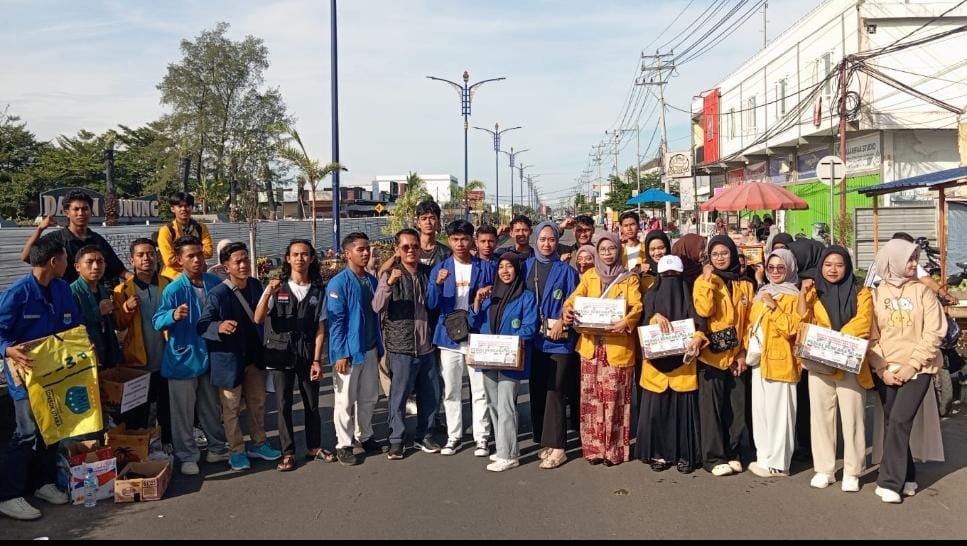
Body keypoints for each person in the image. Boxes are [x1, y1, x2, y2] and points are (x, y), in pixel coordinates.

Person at [0, 238, 79, 520]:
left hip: (55, 371)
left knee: (53, 427)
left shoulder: (62, 289)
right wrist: (7, 349)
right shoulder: (17, 293)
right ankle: (8, 495)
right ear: (53, 262)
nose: (67, 263)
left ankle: (43, 483)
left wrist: (84, 344)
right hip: (24, 374)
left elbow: (74, 323)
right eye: (65, 259)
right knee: (27, 433)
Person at [866, 239, 947, 504]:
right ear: (893, 261)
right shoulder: (875, 294)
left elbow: (934, 331)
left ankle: (889, 482)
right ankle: (908, 475)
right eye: (908, 259)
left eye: (915, 258)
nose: (913, 264)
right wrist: (881, 369)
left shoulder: (923, 292)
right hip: (886, 368)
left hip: (919, 368)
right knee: (893, 422)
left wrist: (913, 364)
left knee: (900, 420)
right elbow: (870, 336)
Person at [198, 242, 281, 472]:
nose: (244, 265)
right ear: (226, 267)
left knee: (257, 404)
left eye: (246, 259)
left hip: (253, 357)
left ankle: (259, 443)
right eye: (238, 261)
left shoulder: (255, 285)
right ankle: (236, 451)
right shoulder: (218, 294)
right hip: (228, 360)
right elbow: (202, 325)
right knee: (231, 409)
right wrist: (218, 327)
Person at [562, 233, 643, 466]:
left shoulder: (629, 279)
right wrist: (567, 310)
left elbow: (637, 306)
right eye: (603, 249)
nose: (607, 253)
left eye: (612, 249)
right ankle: (594, 449)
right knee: (591, 398)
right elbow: (573, 299)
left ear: (619, 250)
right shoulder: (590, 275)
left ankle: (614, 450)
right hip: (591, 348)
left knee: (616, 398)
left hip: (617, 347)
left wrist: (626, 321)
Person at [798, 245, 874, 492]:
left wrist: (836, 340)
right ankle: (824, 469)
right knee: (821, 417)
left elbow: (863, 321)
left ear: (847, 266)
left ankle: (853, 471)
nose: (833, 270)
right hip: (820, 363)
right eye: (828, 264)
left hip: (850, 362)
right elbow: (803, 319)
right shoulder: (814, 290)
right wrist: (803, 295)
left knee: (853, 418)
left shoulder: (861, 291)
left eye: (839, 265)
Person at [152, 236, 230, 476]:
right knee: (183, 413)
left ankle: (217, 447)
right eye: (191, 256)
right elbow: (157, 320)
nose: (197, 260)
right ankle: (187, 455)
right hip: (183, 359)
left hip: (210, 355)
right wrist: (172, 316)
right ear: (179, 260)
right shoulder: (174, 289)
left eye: (199, 254)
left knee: (211, 407)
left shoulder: (213, 282)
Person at [254, 239, 332, 471]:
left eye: (305, 254)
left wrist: (317, 360)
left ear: (312, 258)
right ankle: (287, 452)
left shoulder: (318, 291)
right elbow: (258, 318)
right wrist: (268, 293)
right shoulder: (276, 288)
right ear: (288, 258)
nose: (300, 258)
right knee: (283, 404)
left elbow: (320, 328)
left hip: (307, 353)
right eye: (295, 254)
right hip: (280, 353)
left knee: (312, 403)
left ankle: (314, 447)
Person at [371, 229, 442, 460]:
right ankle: (396, 439)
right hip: (401, 347)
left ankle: (425, 435)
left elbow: (435, 303)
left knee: (430, 394)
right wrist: (389, 283)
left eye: (414, 246)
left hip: (427, 346)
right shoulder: (390, 274)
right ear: (397, 250)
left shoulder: (428, 273)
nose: (411, 250)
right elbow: (377, 306)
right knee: (399, 396)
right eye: (405, 247)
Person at [428, 220, 495, 457]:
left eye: (464, 239)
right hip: (448, 337)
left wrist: (481, 301)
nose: (459, 244)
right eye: (455, 239)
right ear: (448, 241)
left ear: (471, 240)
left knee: (480, 390)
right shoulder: (441, 268)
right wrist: (437, 284)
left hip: (476, 335)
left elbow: (492, 301)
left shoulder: (484, 267)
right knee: (451, 390)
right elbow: (431, 304)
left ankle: (482, 437)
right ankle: (454, 436)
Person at [469, 252, 539, 472]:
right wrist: (477, 301)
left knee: (506, 405)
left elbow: (530, 327)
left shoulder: (526, 297)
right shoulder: (490, 295)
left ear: (517, 270)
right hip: (488, 357)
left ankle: (509, 455)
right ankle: (503, 447)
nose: (505, 271)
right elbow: (473, 322)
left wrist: (508, 342)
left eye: (510, 266)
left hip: (510, 357)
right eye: (501, 267)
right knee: (493, 403)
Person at [636, 255, 706, 474]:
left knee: (681, 413)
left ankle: (685, 454)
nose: (670, 279)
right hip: (654, 368)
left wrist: (698, 337)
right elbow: (640, 323)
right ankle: (659, 454)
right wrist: (653, 318)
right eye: (665, 275)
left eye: (674, 275)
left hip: (683, 367)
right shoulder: (649, 297)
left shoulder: (691, 295)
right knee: (656, 412)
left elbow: (701, 322)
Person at [693, 235, 755, 477]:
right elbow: (704, 309)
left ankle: (733, 452)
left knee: (736, 408)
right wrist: (708, 281)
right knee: (712, 409)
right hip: (712, 355)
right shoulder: (703, 281)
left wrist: (742, 351)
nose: (720, 258)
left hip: (736, 354)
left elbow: (749, 321)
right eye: (715, 254)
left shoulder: (745, 284)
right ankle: (713, 457)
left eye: (724, 253)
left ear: (732, 254)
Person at [523, 222, 580, 470]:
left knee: (556, 391)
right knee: (538, 389)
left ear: (558, 241)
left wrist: (564, 320)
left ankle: (559, 448)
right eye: (543, 239)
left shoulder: (566, 271)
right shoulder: (526, 267)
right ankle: (545, 440)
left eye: (552, 239)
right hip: (534, 339)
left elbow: (575, 301)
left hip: (559, 340)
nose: (547, 244)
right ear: (535, 240)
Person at [326, 232, 384, 466]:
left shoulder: (371, 281)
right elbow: (335, 322)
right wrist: (340, 353)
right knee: (345, 400)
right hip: (349, 352)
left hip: (370, 348)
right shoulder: (338, 283)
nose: (366, 253)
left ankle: (365, 435)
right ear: (347, 254)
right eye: (360, 249)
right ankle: (344, 444)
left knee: (369, 397)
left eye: (367, 248)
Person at [746, 249, 803, 479]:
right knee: (760, 412)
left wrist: (774, 307)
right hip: (760, 361)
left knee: (781, 415)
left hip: (782, 362)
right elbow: (751, 324)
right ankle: (764, 458)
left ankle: (779, 464)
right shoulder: (762, 292)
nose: (775, 272)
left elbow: (793, 328)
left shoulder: (795, 296)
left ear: (790, 268)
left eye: (781, 267)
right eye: (771, 267)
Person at [112, 239, 172, 442]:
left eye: (150, 254)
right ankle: (140, 448)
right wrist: (126, 309)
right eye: (140, 255)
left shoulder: (168, 284)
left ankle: (167, 445)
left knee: (166, 409)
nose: (146, 258)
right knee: (138, 413)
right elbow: (118, 324)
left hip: (166, 359)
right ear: (132, 260)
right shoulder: (122, 290)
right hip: (137, 363)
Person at [21, 191, 128, 285]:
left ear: (91, 212)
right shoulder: (55, 239)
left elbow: (118, 269)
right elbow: (26, 256)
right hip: (64, 298)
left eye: (85, 209)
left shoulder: (97, 240)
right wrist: (40, 229)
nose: (81, 213)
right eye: (76, 209)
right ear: (67, 213)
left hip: (93, 299)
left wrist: (135, 279)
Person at [69, 245, 122, 369]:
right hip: (86, 356)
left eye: (100, 262)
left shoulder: (104, 290)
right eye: (89, 262)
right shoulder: (71, 292)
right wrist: (98, 313)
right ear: (77, 267)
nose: (96, 266)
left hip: (107, 354)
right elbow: (70, 328)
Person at [864, 232, 953, 302]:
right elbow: (868, 289)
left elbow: (927, 280)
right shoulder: (877, 265)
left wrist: (946, 296)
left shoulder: (911, 264)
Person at [157, 192, 214, 280]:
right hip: (172, 278)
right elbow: (169, 260)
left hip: (198, 277)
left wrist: (186, 257)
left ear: (192, 207)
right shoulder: (166, 231)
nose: (184, 209)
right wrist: (196, 259)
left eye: (187, 206)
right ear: (172, 209)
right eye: (180, 206)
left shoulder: (201, 228)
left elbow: (209, 252)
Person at [416, 200, 451, 267]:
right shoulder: (409, 250)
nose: (428, 222)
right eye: (423, 219)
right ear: (418, 223)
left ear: (438, 222)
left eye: (432, 218)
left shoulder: (446, 253)